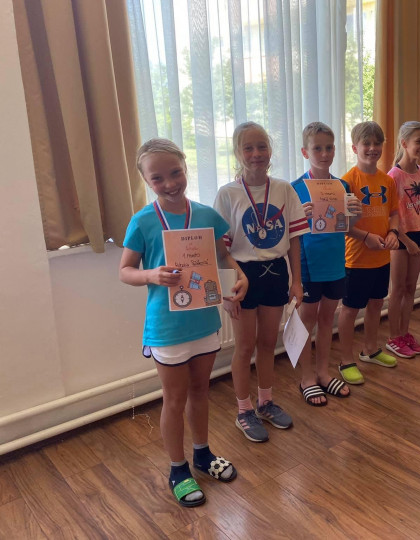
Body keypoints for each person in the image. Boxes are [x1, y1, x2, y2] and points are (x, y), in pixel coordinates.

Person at [120, 138, 249, 507]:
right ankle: (178, 468)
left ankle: (202, 454)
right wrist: (151, 275)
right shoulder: (142, 221)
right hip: (167, 328)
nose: (170, 183)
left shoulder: (206, 215)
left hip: (204, 321)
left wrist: (240, 277)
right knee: (174, 399)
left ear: (186, 168)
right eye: (158, 178)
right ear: (146, 181)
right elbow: (125, 271)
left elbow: (223, 258)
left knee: (200, 392)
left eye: (175, 172)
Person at [214, 121, 309, 442]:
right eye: (248, 148)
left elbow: (294, 239)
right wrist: (227, 290)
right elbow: (220, 248)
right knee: (244, 347)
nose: (256, 153)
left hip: (276, 273)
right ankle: (244, 410)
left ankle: (266, 402)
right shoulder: (227, 194)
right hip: (241, 276)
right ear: (237, 153)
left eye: (262, 146)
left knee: (269, 343)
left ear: (270, 150)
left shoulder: (283, 189)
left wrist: (297, 282)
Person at [291, 122, 359, 406]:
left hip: (336, 262)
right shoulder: (295, 188)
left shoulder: (342, 186)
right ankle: (306, 377)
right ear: (305, 152)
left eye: (329, 147)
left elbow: (347, 227)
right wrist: (300, 216)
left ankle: (323, 372)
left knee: (327, 319)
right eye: (317, 148)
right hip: (308, 264)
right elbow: (288, 233)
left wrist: (355, 213)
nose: (324, 153)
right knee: (306, 320)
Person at [337, 121, 399, 385]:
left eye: (377, 143)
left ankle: (370, 350)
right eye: (366, 143)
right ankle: (345, 360)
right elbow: (340, 224)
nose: (372, 148)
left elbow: (394, 213)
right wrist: (365, 237)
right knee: (350, 310)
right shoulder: (346, 182)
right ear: (355, 148)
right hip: (356, 260)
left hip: (382, 258)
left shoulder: (387, 180)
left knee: (376, 304)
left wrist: (393, 232)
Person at [386, 121, 420, 358]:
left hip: (418, 236)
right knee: (397, 289)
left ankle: (405, 333)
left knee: (411, 287)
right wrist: (406, 241)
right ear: (404, 143)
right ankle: (393, 336)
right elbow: (390, 215)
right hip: (400, 239)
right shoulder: (394, 176)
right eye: (419, 141)